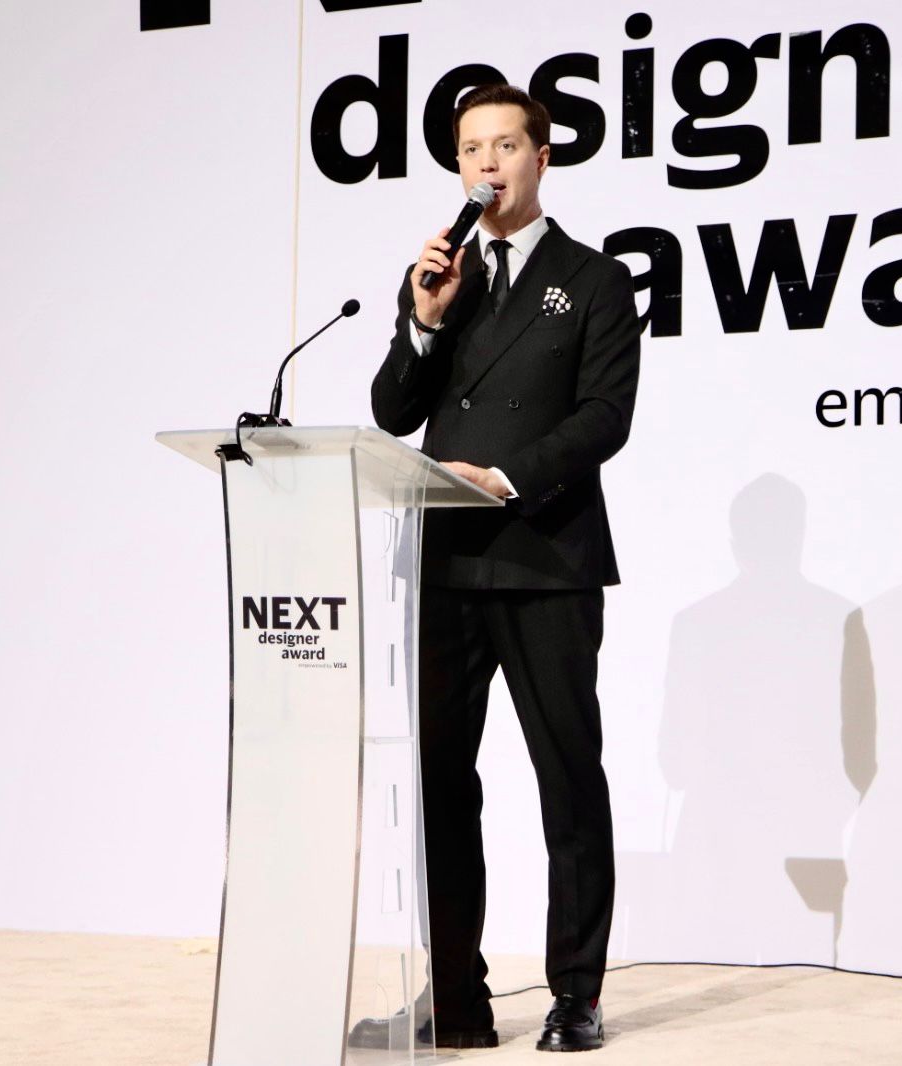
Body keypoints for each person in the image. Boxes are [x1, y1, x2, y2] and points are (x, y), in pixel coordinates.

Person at [368, 83, 640, 1052]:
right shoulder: (445, 277)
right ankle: (457, 999)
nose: (486, 164)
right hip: (447, 561)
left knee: (568, 778)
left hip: (545, 556)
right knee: (442, 784)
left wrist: (510, 477)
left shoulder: (594, 279)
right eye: (470, 150)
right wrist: (424, 321)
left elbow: (604, 417)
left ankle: (577, 994)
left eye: (505, 146)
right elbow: (394, 412)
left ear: (541, 156)